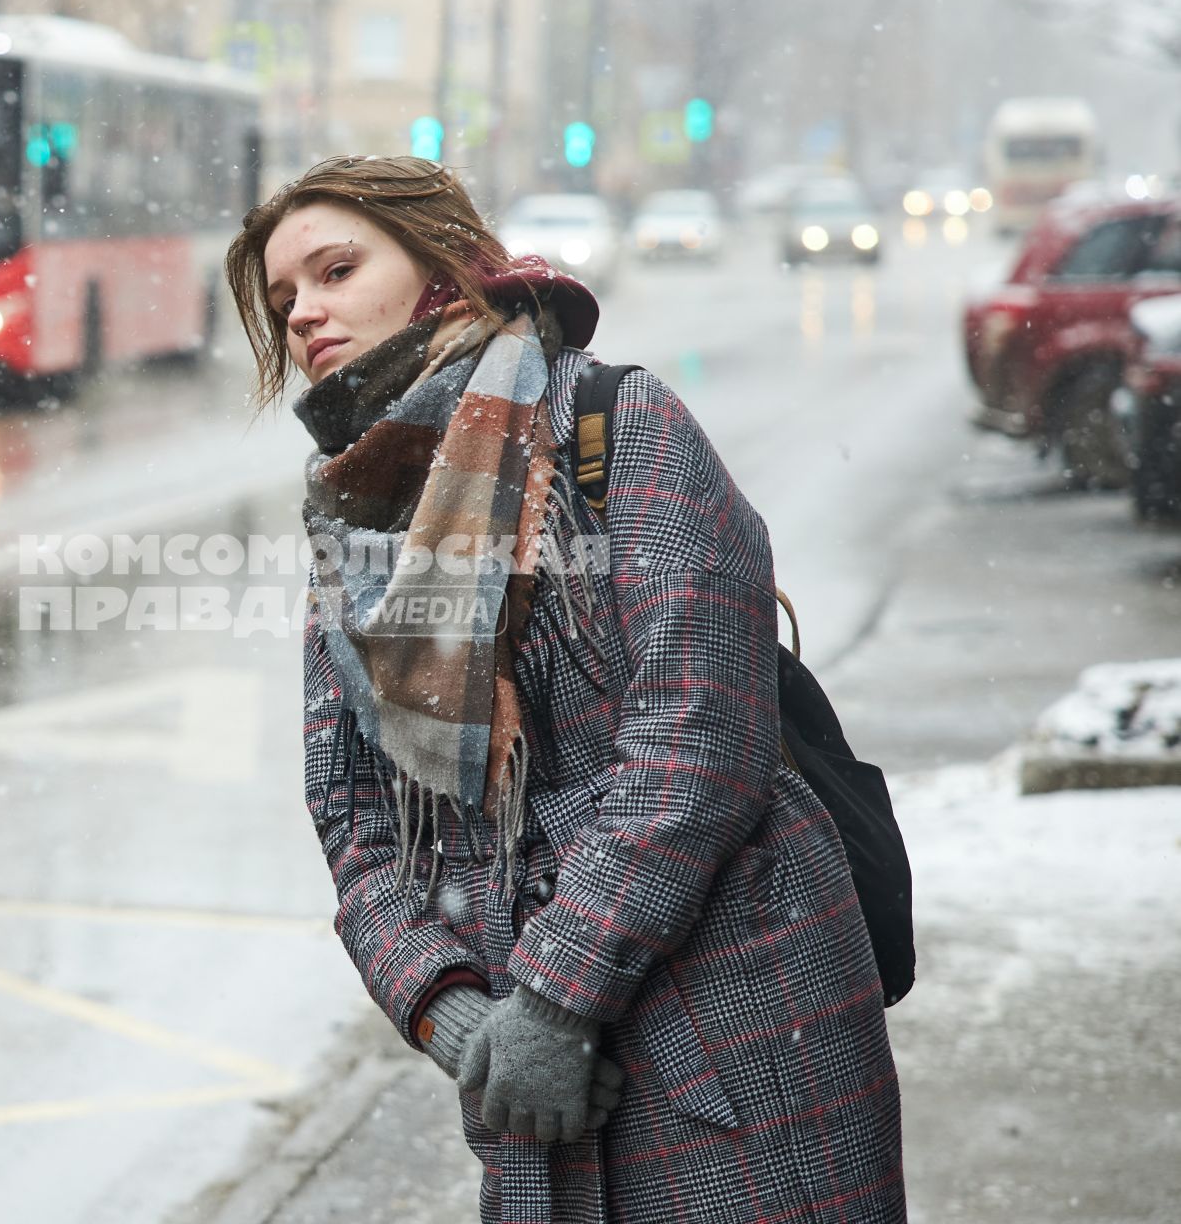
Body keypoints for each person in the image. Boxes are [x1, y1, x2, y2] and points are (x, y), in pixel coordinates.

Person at [224, 155, 905, 1222]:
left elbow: (698, 736)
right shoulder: (353, 519)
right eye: (281, 299)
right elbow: (351, 818)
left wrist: (553, 996)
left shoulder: (612, 422)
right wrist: (457, 1020)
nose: (305, 310)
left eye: (335, 267)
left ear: (440, 262)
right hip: (532, 1095)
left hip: (739, 1025)